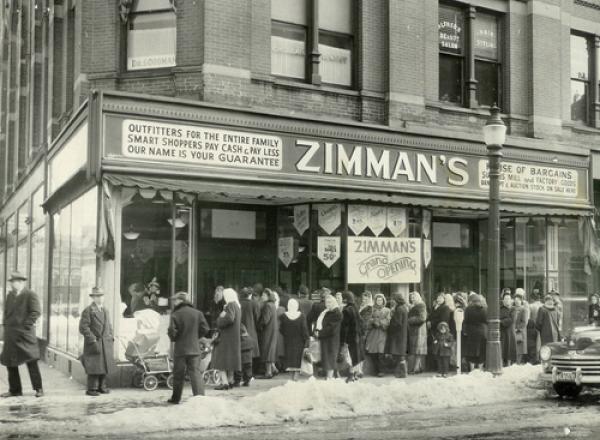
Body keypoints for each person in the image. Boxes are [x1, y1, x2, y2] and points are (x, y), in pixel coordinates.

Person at [0, 271, 44, 398]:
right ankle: (15, 390)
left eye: (15, 282)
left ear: (21, 282)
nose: (13, 285)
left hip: (25, 335)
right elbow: (6, 312)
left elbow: (35, 312)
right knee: (10, 362)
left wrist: (25, 326)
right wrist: (5, 326)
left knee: (31, 361)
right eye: (12, 282)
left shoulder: (30, 294)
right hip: (11, 335)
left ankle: (38, 389)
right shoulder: (10, 296)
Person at [167, 291, 209, 404]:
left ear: (181, 301)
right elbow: (205, 329)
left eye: (175, 300)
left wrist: (175, 338)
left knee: (178, 375)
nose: (174, 302)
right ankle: (200, 398)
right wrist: (196, 337)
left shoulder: (175, 314)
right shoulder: (198, 313)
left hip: (180, 349)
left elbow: (172, 331)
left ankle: (176, 399)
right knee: (195, 373)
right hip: (194, 348)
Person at [79, 287, 115, 396]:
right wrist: (92, 338)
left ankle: (102, 387)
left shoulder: (105, 310)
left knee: (104, 366)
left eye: (101, 296)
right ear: (93, 298)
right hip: (95, 342)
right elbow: (83, 327)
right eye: (97, 296)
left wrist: (111, 336)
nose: (100, 298)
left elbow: (109, 325)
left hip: (105, 342)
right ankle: (91, 389)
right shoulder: (88, 310)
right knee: (94, 367)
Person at [212, 288, 242, 390]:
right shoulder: (237, 306)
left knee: (220, 359)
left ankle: (224, 382)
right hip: (233, 337)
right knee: (230, 360)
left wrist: (220, 319)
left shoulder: (230, 305)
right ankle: (230, 380)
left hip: (226, 337)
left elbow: (229, 318)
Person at [279, 298, 310, 381]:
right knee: (297, 361)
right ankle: (295, 378)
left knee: (289, 360)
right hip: (299, 342)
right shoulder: (302, 316)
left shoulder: (283, 316)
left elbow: (281, 329)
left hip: (288, 341)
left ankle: (291, 378)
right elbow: (304, 330)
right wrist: (307, 341)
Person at [315, 294, 342, 380]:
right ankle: (329, 377)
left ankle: (329, 377)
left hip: (331, 339)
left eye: (330, 302)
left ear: (334, 302)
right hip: (326, 338)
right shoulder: (326, 311)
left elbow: (332, 328)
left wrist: (320, 333)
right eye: (326, 302)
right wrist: (316, 331)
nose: (328, 304)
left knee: (330, 358)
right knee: (327, 358)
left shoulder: (336, 313)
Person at [340, 291, 365, 382]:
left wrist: (343, 340)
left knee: (350, 356)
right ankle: (355, 374)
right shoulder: (355, 308)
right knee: (356, 356)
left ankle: (351, 375)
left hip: (350, 337)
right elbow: (361, 323)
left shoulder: (346, 310)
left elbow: (344, 327)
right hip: (357, 336)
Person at [365, 293, 390, 377]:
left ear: (383, 301)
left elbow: (388, 321)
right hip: (373, 334)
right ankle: (376, 370)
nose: (379, 301)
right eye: (377, 300)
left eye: (381, 300)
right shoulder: (372, 309)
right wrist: (372, 321)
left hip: (382, 333)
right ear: (375, 301)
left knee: (381, 352)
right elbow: (368, 320)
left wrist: (379, 322)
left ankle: (382, 370)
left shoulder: (387, 310)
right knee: (373, 353)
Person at [386, 292, 409, 378]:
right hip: (402, 334)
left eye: (394, 299)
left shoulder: (399, 309)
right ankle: (401, 372)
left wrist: (390, 324)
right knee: (400, 354)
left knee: (399, 354)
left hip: (398, 335)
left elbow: (397, 323)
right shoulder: (403, 308)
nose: (392, 301)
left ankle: (402, 372)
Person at [463, 294, 487, 371]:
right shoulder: (484, 309)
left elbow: (465, 321)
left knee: (471, 351)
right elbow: (486, 320)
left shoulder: (468, 309)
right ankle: (480, 369)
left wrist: (465, 331)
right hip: (482, 332)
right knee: (481, 351)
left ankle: (472, 369)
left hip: (471, 332)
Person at [258, 288, 279, 378]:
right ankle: (273, 369)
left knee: (267, 349)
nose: (262, 297)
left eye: (263, 295)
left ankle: (268, 372)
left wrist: (259, 325)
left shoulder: (267, 306)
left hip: (267, 331)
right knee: (270, 349)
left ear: (268, 296)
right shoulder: (273, 305)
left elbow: (265, 320)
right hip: (273, 330)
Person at [408, 291, 428, 374]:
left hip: (419, 329)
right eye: (411, 298)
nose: (412, 299)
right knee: (416, 349)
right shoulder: (415, 305)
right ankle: (418, 367)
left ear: (418, 297)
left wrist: (409, 320)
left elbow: (422, 318)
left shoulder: (421, 305)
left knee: (417, 349)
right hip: (415, 329)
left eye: (414, 297)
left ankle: (415, 368)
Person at [357, 291, 374, 378]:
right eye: (363, 298)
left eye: (366, 298)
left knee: (361, 349)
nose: (364, 300)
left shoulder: (369, 308)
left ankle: (361, 370)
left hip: (364, 331)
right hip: (359, 330)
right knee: (359, 349)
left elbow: (366, 320)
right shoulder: (361, 306)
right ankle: (358, 369)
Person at [500, 292, 517, 367]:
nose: (507, 300)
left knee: (509, 349)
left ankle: (509, 365)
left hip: (510, 332)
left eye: (508, 299)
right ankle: (501, 364)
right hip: (502, 332)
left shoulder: (513, 309)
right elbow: (498, 317)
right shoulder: (500, 309)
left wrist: (501, 321)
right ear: (503, 300)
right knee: (502, 349)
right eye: (505, 299)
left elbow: (511, 319)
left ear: (511, 300)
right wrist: (504, 320)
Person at [527, 290, 543, 364]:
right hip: (542, 327)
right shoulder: (543, 305)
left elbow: (528, 317)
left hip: (533, 327)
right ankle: (540, 357)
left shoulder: (531, 306)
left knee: (535, 343)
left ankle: (535, 357)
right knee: (540, 342)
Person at [513, 291, 529, 364]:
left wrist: (517, 328)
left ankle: (518, 362)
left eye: (518, 300)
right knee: (514, 347)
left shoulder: (523, 309)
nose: (517, 302)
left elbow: (525, 322)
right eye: (515, 300)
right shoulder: (513, 309)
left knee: (520, 347)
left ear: (521, 301)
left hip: (520, 331)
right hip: (513, 331)